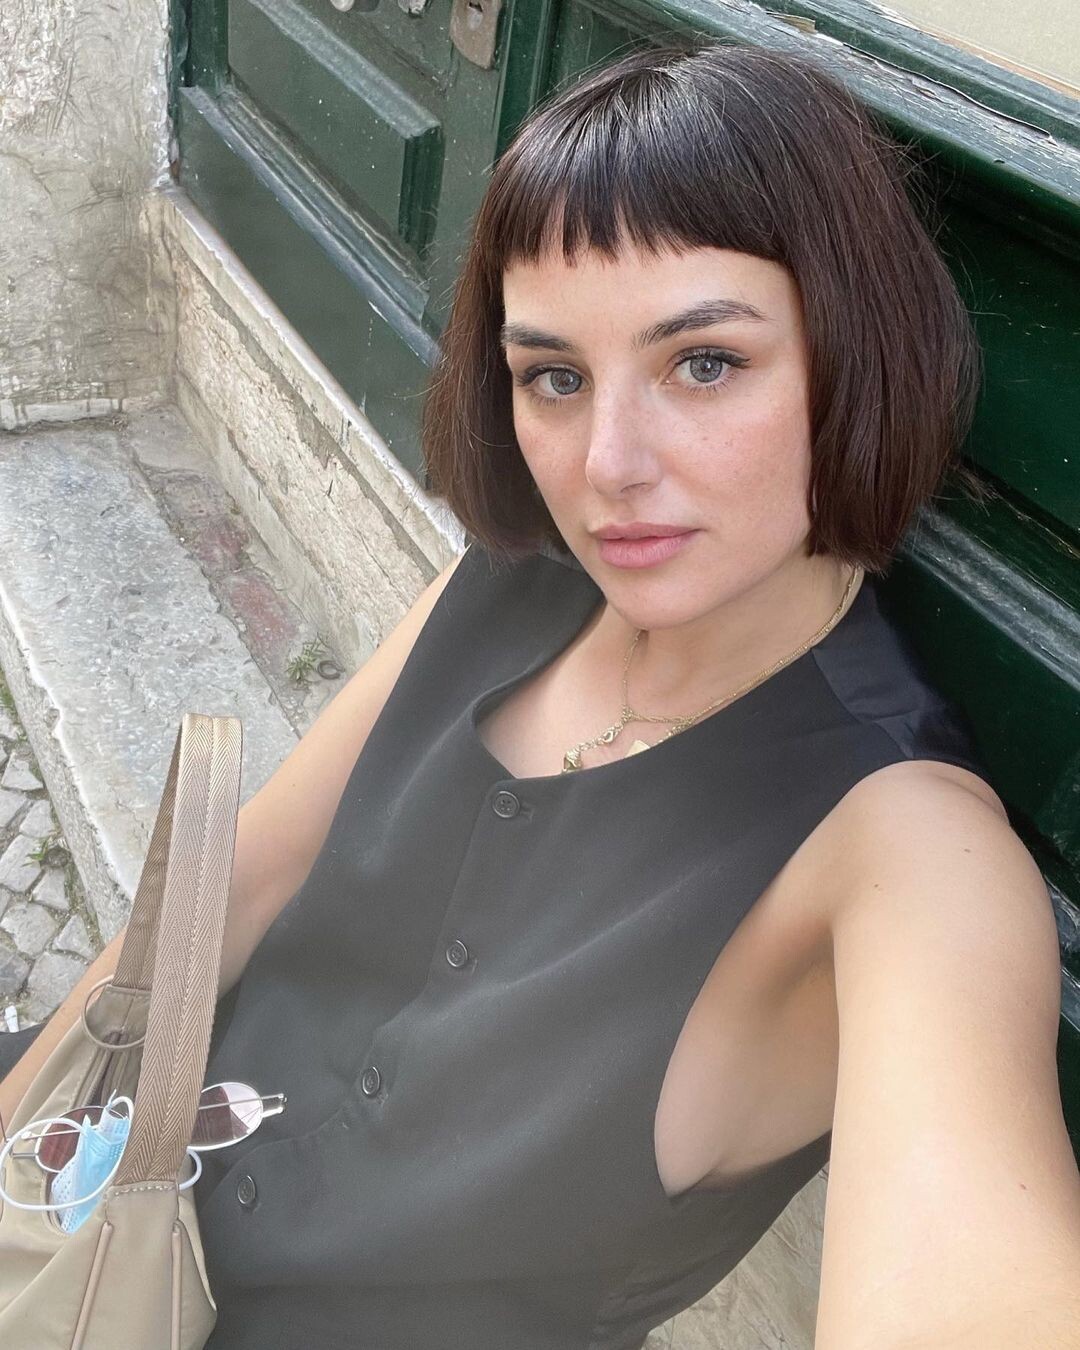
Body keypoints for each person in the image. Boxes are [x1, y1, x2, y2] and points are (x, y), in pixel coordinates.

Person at [3, 38, 1079, 1350]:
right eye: (555, 376)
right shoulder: (510, 585)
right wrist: (18, 1155)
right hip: (106, 1224)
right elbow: (231, 888)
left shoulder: (904, 845)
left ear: (854, 355)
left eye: (704, 362)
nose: (608, 464)